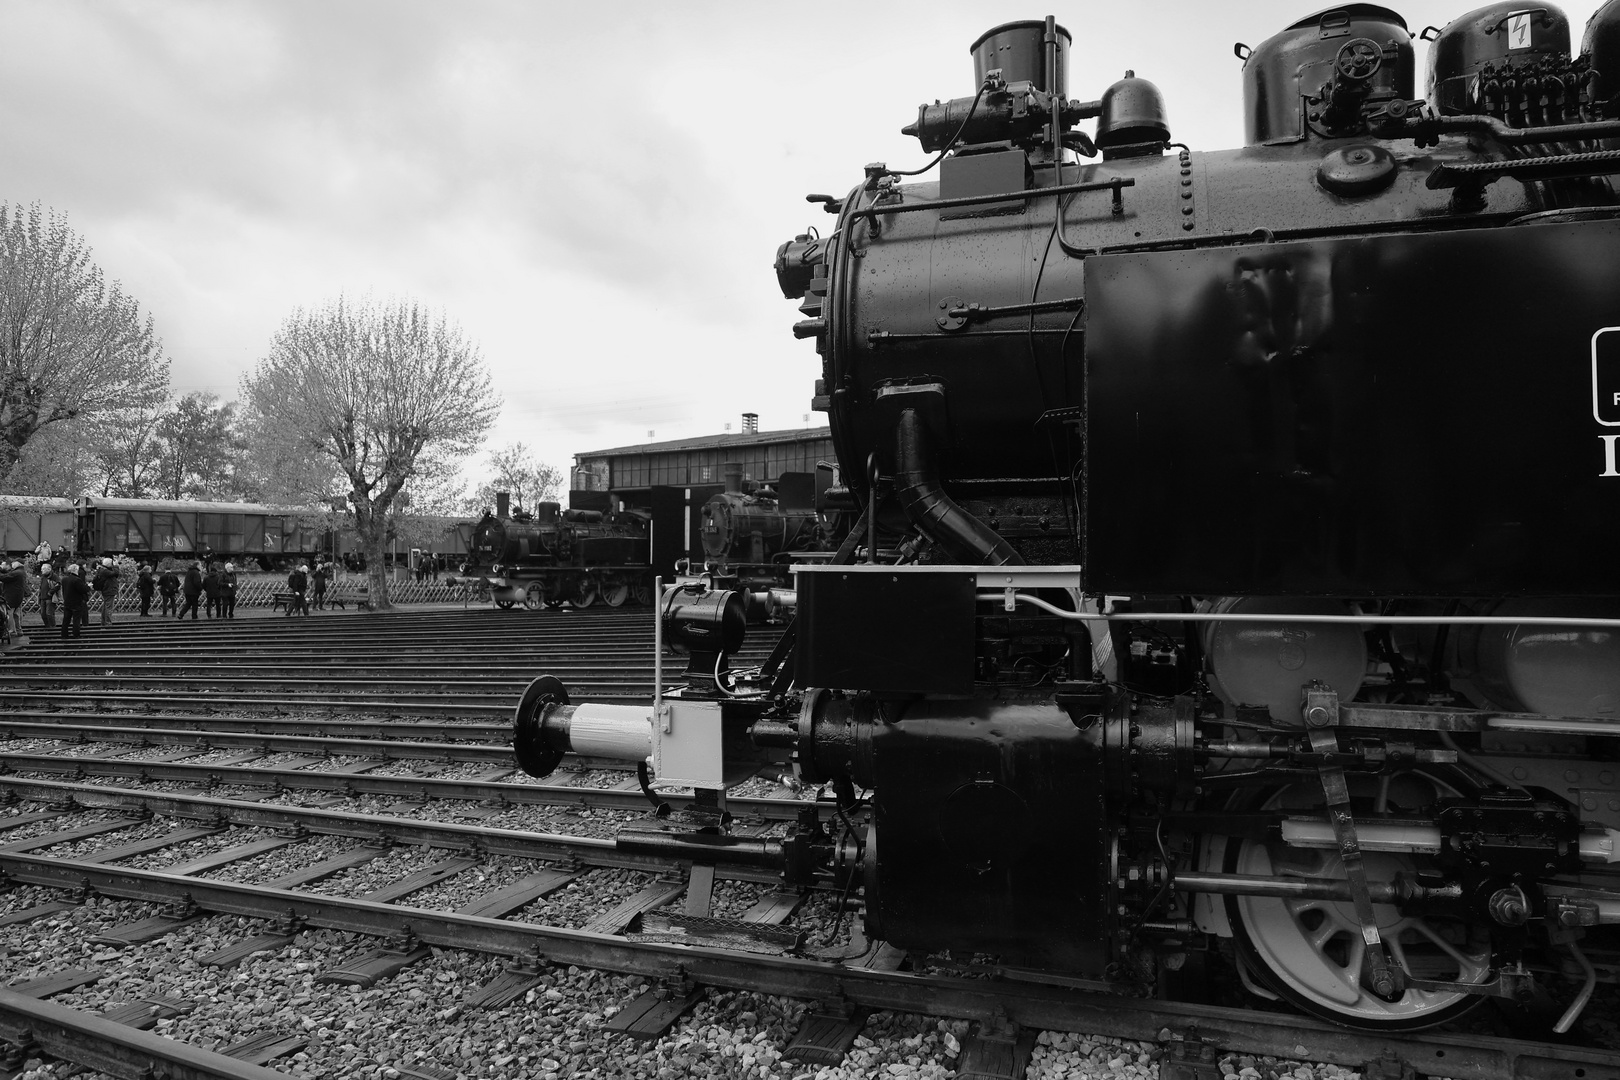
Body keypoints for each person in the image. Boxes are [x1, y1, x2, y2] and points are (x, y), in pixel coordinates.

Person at [60, 564, 90, 640]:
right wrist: (88, 586)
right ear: (76, 570)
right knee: (76, 620)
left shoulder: (64, 579)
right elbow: (83, 589)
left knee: (66, 620)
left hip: (67, 601)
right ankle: (76, 634)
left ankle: (64, 634)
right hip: (76, 602)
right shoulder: (77, 580)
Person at [0, 561, 26, 641]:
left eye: (13, 563)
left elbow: (4, 578)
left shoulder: (16, 572)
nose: (12, 565)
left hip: (11, 596)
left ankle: (12, 630)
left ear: (17, 563)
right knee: (16, 614)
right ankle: (18, 630)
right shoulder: (21, 572)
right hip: (18, 596)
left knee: (9, 613)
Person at [91, 557, 119, 625]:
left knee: (106, 607)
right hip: (109, 590)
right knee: (108, 607)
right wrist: (116, 565)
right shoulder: (105, 571)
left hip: (107, 590)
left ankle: (104, 622)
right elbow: (115, 573)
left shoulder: (103, 570)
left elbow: (115, 574)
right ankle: (107, 623)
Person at [36, 563, 59, 629]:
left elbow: (58, 585)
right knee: (43, 614)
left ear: (49, 569)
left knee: (49, 613)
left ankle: (52, 626)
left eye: (43, 569)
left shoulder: (54, 576)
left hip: (50, 598)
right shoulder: (43, 577)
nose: (42, 570)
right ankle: (47, 626)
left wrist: (50, 592)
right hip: (42, 597)